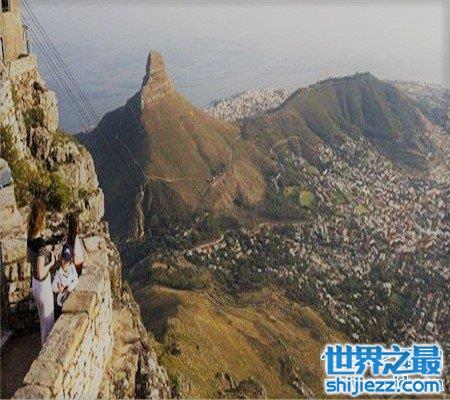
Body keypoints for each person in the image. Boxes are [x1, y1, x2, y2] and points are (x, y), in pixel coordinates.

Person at [27, 199, 55, 345]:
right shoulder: (40, 245)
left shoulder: (30, 238)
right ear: (41, 221)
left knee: (42, 321)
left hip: (35, 285)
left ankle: (42, 346)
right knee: (48, 323)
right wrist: (51, 262)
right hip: (43, 286)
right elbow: (40, 272)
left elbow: (29, 259)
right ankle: (46, 352)